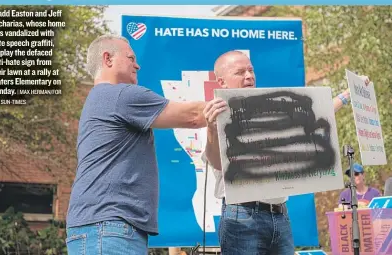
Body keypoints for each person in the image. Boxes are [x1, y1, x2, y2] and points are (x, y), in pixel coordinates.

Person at [202, 50, 370, 255]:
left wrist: (349, 94)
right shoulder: (216, 115)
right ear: (222, 81)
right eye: (240, 72)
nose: (249, 76)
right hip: (242, 216)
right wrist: (211, 128)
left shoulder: (269, 107)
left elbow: (318, 113)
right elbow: (217, 163)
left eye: (251, 70)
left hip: (279, 215)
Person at [65, 35, 219, 255]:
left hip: (98, 228)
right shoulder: (120, 95)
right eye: (130, 57)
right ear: (107, 59)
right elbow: (194, 116)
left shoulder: (98, 99)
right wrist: (242, 106)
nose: (137, 64)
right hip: (110, 227)